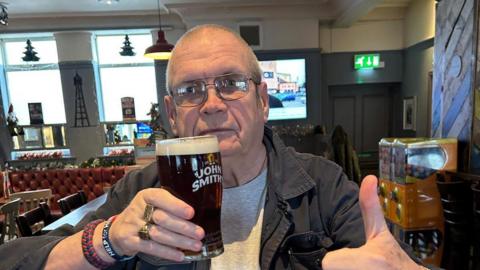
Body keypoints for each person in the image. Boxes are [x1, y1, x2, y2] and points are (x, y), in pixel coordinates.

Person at [0, 24, 427, 270]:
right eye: (190, 90)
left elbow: (385, 260)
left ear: (263, 101)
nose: (211, 104)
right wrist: (108, 238)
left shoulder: (322, 184)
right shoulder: (141, 193)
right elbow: (15, 260)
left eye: (231, 84)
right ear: (171, 112)